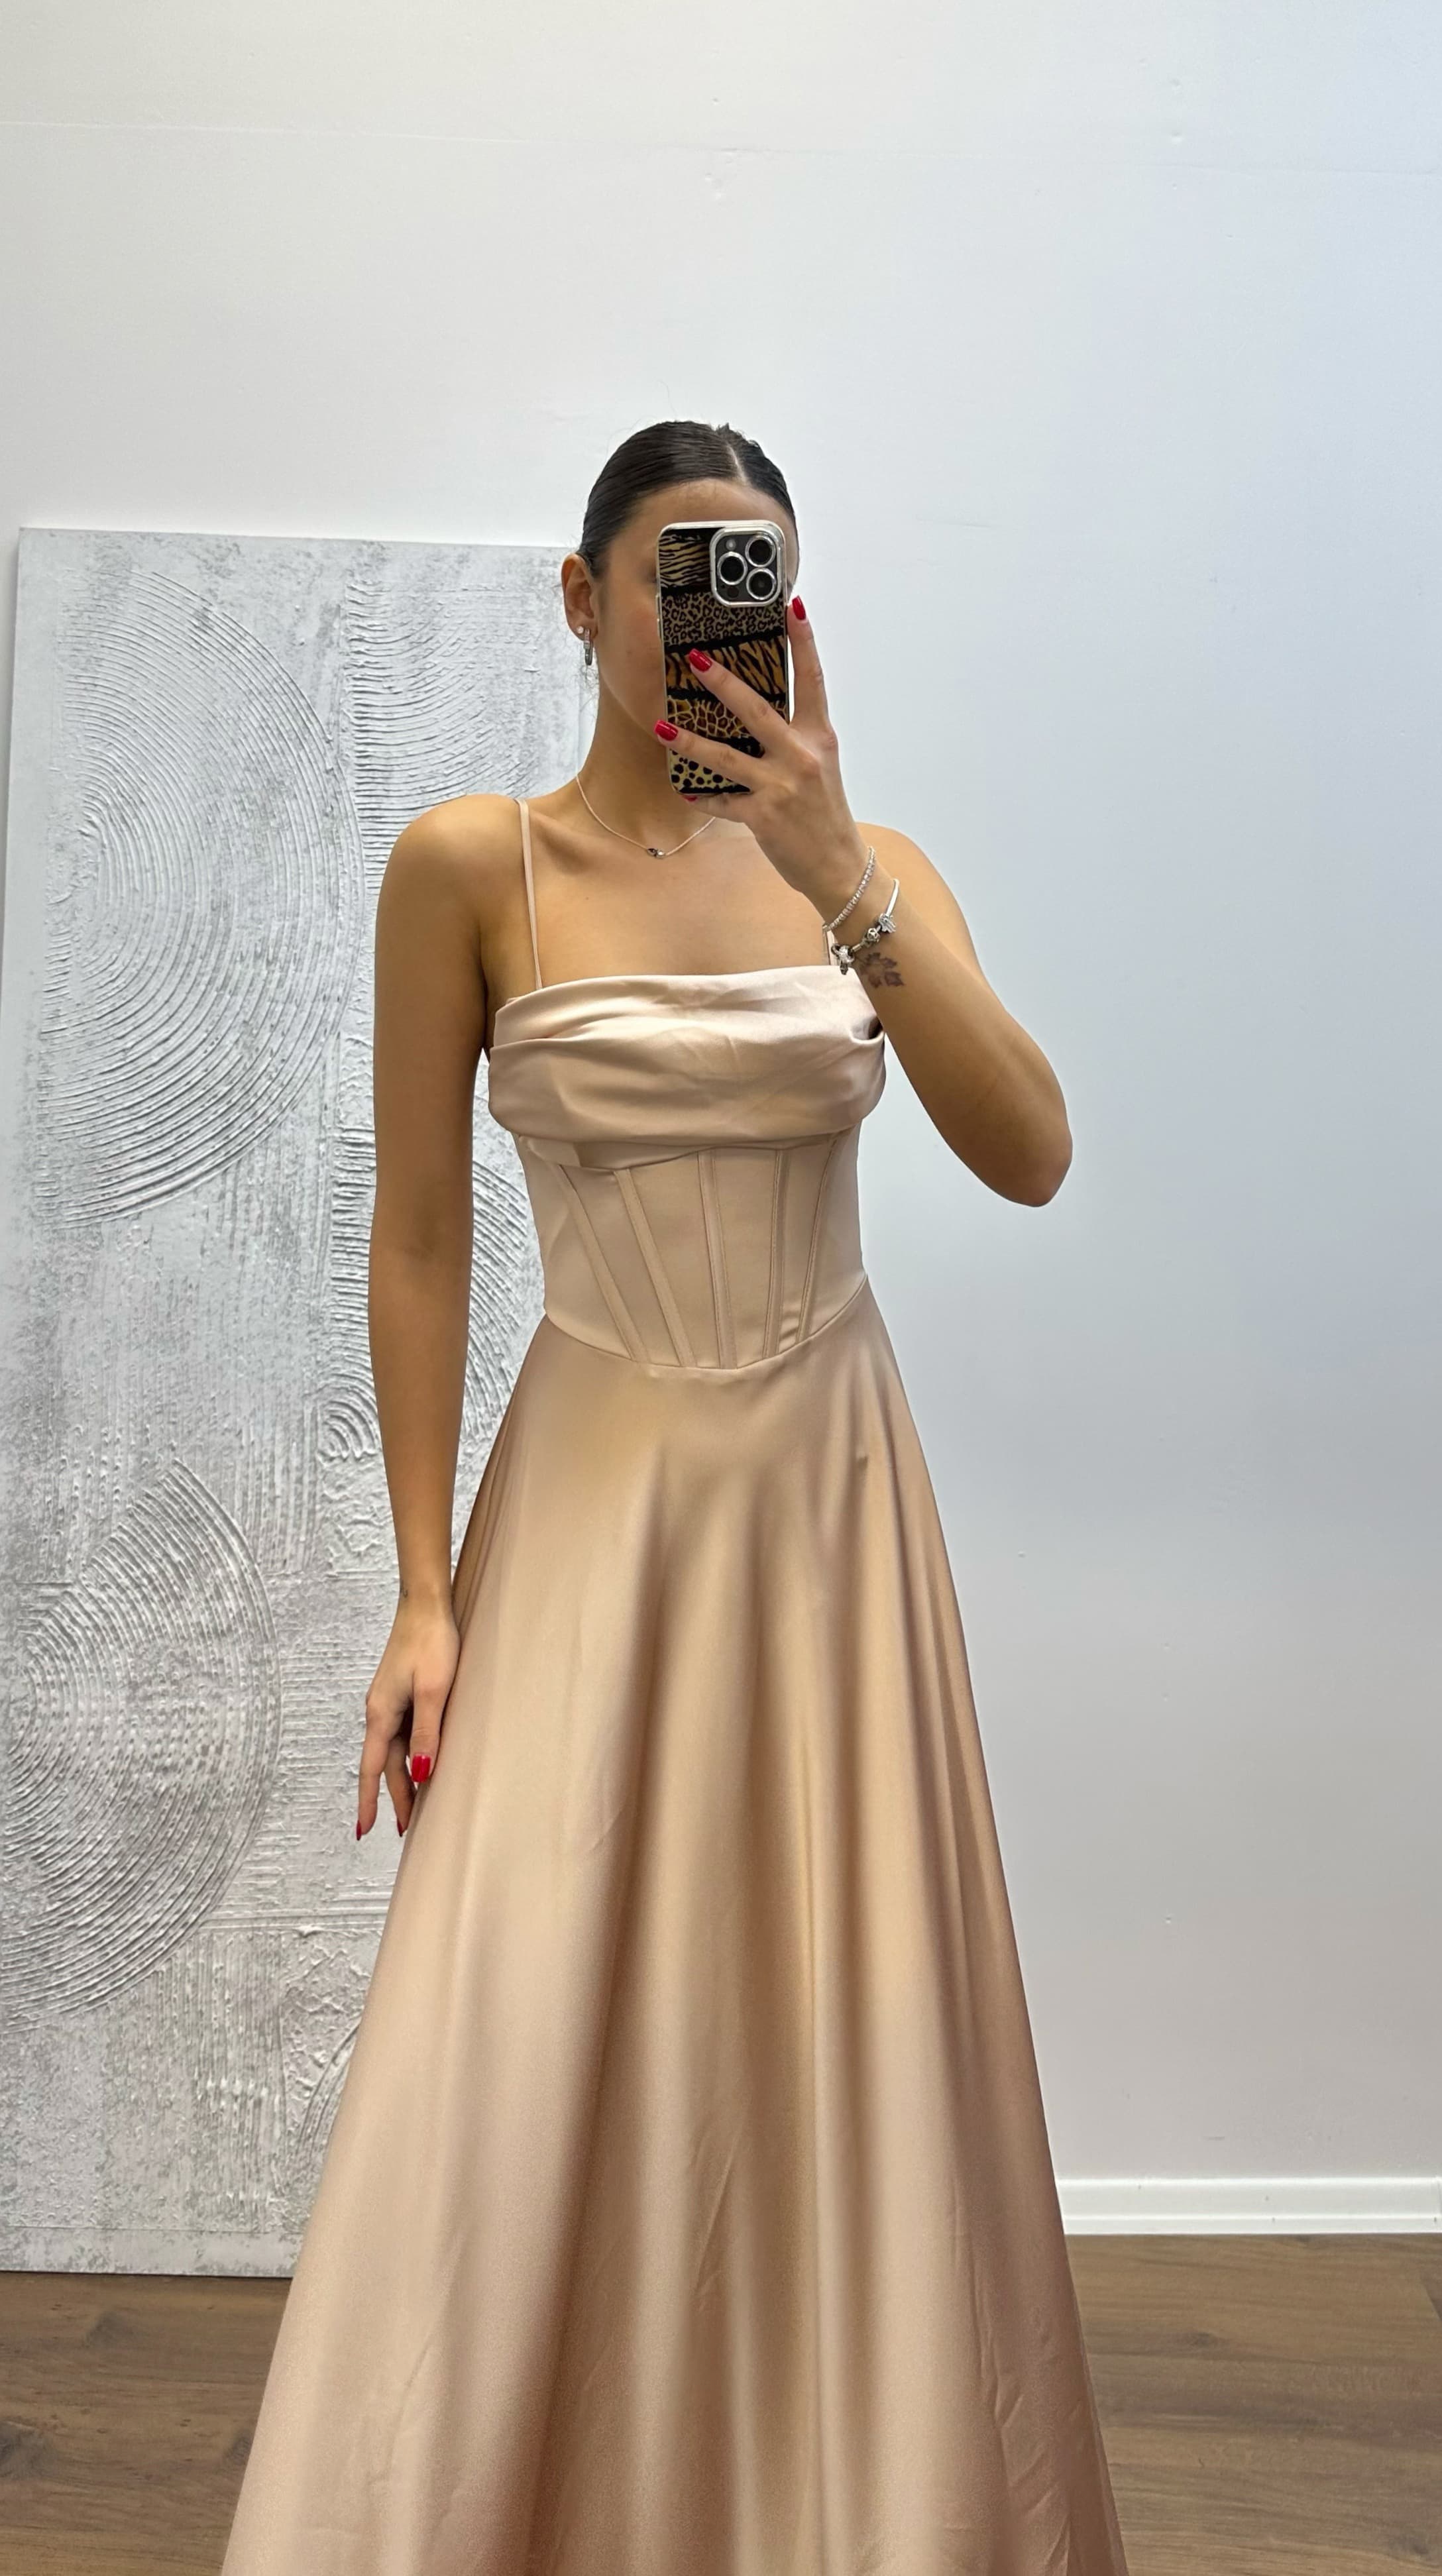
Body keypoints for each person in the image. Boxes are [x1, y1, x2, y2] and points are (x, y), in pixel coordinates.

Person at [221, 418, 1130, 2574]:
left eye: (760, 582)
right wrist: (422, 1592)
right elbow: (418, 1236)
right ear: (582, 596)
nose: (720, 620)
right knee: (529, 2002)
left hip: (829, 1501)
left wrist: (838, 872)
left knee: (845, 2005)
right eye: (677, 573)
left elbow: (1030, 1150)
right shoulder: (475, 867)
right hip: (594, 1498)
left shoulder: (866, 866)